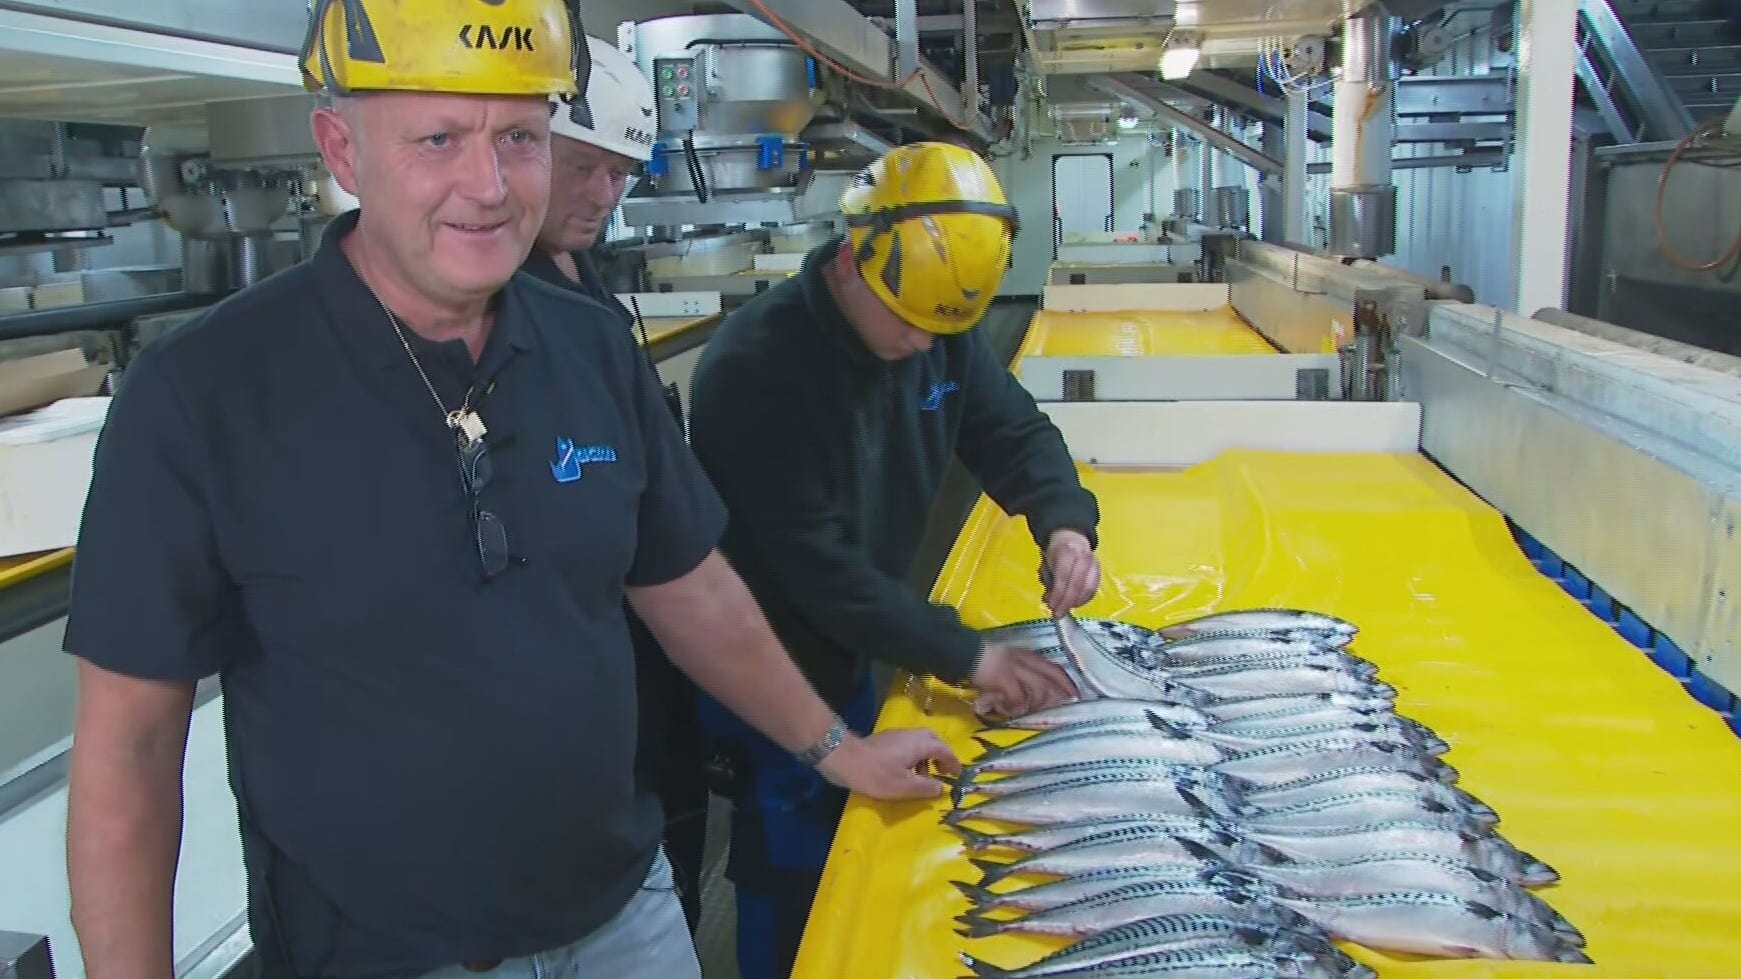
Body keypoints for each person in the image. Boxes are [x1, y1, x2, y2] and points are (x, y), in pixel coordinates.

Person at [59, 4, 959, 979]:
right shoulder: (201, 395)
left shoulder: (590, 344)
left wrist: (837, 748)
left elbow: (692, 589)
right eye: (438, 139)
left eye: (520, 138)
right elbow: (129, 751)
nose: (487, 187)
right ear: (341, 149)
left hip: (627, 920)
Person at [686, 141, 1104, 979]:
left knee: (857, 849)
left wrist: (1064, 524)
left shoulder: (935, 331)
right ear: (852, 258)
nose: (921, 343)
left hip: (857, 634)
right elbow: (817, 567)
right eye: (906, 320)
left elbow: (1010, 431)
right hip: (771, 658)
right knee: (791, 861)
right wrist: (971, 655)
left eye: (940, 328)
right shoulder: (755, 369)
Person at [512, 33, 711, 934]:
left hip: (648, 659)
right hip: (579, 683)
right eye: (583, 167)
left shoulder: (586, 285)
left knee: (673, 844)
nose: (605, 193)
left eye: (622, 172)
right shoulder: (494, 307)